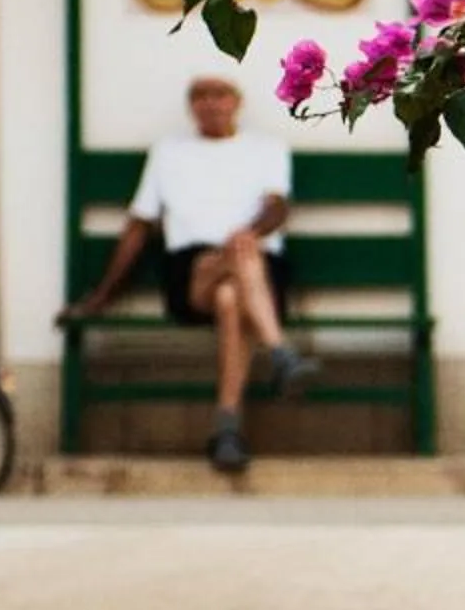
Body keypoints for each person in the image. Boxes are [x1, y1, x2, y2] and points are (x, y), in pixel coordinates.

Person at [62, 75, 311, 474]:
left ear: (237, 102)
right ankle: (279, 351)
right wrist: (102, 294)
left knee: (233, 295)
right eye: (199, 96)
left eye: (219, 95)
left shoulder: (267, 149)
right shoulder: (169, 152)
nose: (210, 104)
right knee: (234, 264)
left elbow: (277, 207)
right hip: (193, 273)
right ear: (190, 106)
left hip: (254, 272)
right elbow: (139, 224)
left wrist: (250, 233)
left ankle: (227, 430)